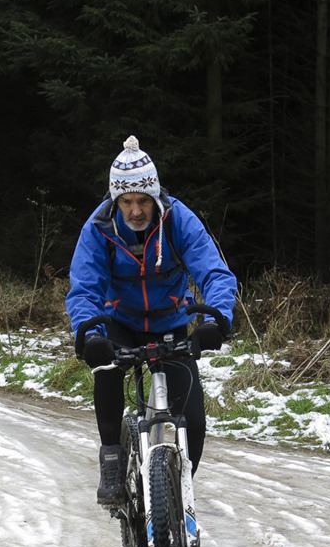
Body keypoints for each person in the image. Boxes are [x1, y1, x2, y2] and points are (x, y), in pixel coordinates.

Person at [66, 134, 238, 525]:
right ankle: (112, 456)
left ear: (155, 196)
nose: (136, 210)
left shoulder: (178, 219)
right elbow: (85, 287)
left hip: (169, 323)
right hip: (119, 322)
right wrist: (89, 335)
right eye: (126, 202)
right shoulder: (99, 227)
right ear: (116, 200)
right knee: (107, 370)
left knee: (193, 421)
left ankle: (177, 493)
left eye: (143, 201)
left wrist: (215, 320)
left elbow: (214, 272)